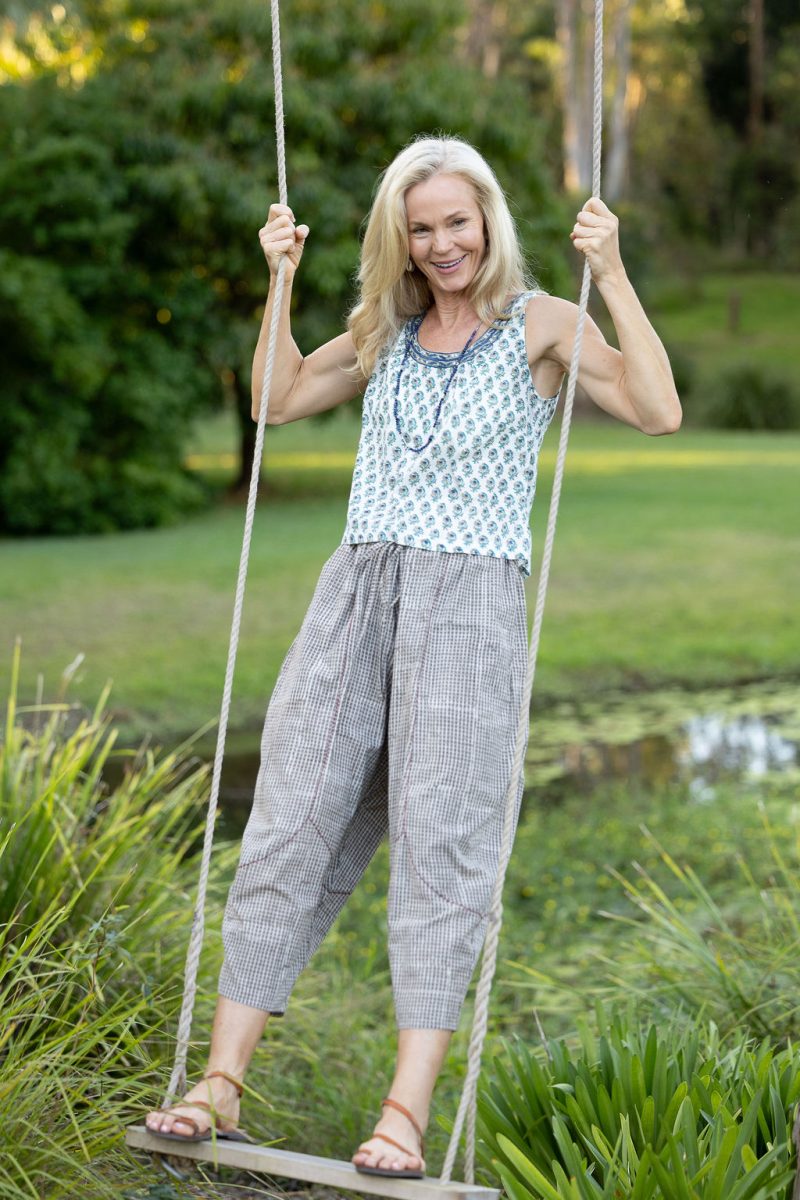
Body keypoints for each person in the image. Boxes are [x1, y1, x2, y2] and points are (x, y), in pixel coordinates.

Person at [145, 135, 681, 1175]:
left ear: (488, 223)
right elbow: (274, 398)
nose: (441, 244)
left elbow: (658, 410)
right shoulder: (381, 330)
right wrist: (279, 281)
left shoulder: (541, 323)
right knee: (290, 822)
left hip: (469, 610)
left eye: (456, 223)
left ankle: (404, 1114)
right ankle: (219, 1083)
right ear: (400, 237)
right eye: (421, 227)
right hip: (355, 600)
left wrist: (611, 273)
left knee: (442, 849)